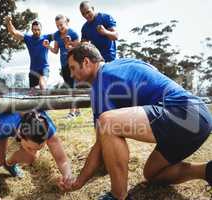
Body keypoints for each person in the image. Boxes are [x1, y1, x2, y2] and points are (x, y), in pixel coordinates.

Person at [59, 43, 212, 200]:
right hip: (200, 118)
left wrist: (79, 181)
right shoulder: (122, 64)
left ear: (86, 62)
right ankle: (206, 171)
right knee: (152, 173)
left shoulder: (101, 81)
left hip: (183, 112)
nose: (71, 75)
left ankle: (119, 196)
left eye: (72, 68)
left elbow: (101, 143)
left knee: (107, 123)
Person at [0, 110, 72, 200]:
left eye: (38, 148)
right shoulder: (2, 126)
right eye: (30, 148)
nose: (32, 152)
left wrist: (67, 176)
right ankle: (3, 150)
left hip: (17, 122)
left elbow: (62, 160)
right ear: (19, 135)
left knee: (31, 157)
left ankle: (9, 163)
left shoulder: (48, 129)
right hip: (2, 115)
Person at [43, 14, 80, 118]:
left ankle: (72, 112)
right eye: (57, 26)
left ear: (66, 23)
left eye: (61, 25)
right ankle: (77, 110)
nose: (60, 28)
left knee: (72, 87)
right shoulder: (56, 35)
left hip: (73, 64)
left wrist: (70, 45)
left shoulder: (73, 33)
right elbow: (55, 51)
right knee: (69, 88)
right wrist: (48, 46)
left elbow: (79, 48)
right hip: (63, 64)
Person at [5, 16, 53, 90]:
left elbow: (60, 34)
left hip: (44, 68)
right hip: (33, 70)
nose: (36, 31)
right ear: (32, 30)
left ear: (41, 29)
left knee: (42, 84)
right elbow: (14, 32)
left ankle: (44, 96)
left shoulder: (47, 37)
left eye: (38, 30)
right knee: (32, 93)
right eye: (34, 30)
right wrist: (8, 22)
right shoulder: (28, 38)